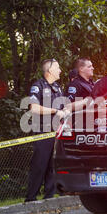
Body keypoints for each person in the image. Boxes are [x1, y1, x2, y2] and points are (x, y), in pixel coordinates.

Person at [25, 59, 67, 202]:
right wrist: (55, 111)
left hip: (56, 131)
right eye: (57, 67)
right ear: (49, 71)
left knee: (52, 165)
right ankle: (31, 198)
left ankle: (49, 197)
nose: (60, 70)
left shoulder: (58, 87)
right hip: (42, 131)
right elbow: (34, 108)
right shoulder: (38, 86)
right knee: (39, 165)